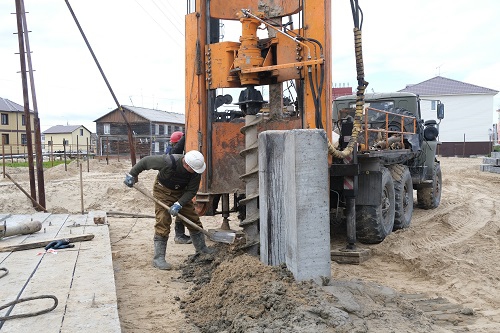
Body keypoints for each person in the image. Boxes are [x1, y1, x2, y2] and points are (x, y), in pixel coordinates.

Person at [124, 150, 214, 270]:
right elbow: (145, 162)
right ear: (186, 165)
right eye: (193, 170)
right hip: (162, 192)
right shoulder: (168, 161)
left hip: (181, 194)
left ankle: (202, 250)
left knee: (192, 219)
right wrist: (132, 174)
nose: (195, 172)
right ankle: (158, 258)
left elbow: (191, 191)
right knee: (163, 220)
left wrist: (179, 204)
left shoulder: (196, 172)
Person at [166, 132, 191, 244]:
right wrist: (186, 137)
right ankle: (179, 235)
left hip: (174, 182)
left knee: (181, 208)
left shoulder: (171, 148)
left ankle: (180, 234)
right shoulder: (172, 152)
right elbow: (176, 151)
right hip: (173, 184)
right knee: (180, 208)